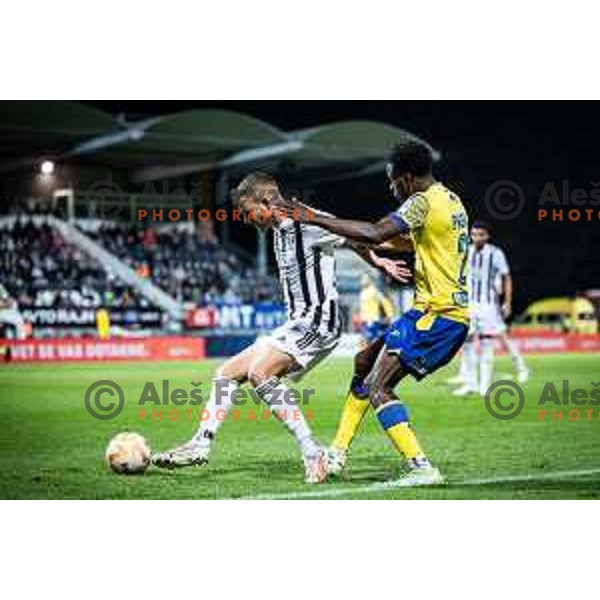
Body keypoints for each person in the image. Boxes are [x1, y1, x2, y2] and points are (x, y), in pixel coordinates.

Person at [152, 172, 407, 483]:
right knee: (227, 373)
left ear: (266, 200)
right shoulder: (276, 229)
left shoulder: (310, 222)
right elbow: (349, 241)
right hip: (296, 322)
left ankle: (312, 453)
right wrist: (376, 261)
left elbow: (351, 234)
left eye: (248, 212)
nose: (247, 220)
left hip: (319, 321)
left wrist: (378, 260)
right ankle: (200, 443)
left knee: (261, 374)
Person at [276, 140, 469, 486]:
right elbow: (404, 242)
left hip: (438, 315)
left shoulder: (420, 202)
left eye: (393, 181)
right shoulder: (451, 200)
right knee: (364, 361)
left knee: (378, 387)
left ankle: (421, 468)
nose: (391, 187)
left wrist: (314, 218)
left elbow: (377, 231)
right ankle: (337, 452)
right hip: (435, 312)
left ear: (407, 179)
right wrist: (367, 245)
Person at [452, 221, 529, 397]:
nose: (476, 237)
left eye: (480, 234)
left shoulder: (495, 253)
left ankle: (485, 385)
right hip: (469, 304)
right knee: (468, 343)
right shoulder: (466, 252)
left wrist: (507, 302)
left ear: (487, 236)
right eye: (473, 234)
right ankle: (470, 383)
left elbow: (506, 277)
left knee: (487, 343)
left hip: (488, 305)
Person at [358, 273, 395, 344]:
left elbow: (385, 302)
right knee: (365, 341)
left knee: (369, 340)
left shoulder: (374, 291)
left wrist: (390, 314)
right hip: (364, 320)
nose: (362, 280)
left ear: (370, 280)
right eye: (362, 278)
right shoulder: (363, 292)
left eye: (364, 278)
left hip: (372, 320)